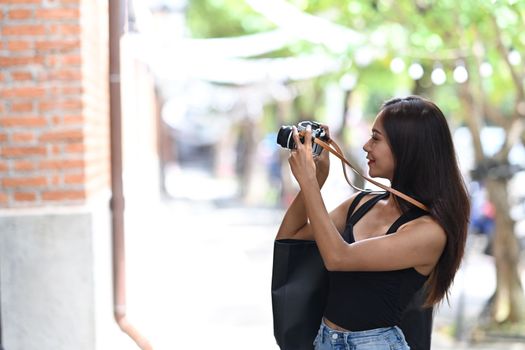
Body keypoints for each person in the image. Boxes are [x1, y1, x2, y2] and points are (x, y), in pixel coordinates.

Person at [275, 95, 470, 350]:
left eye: (376, 138)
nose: (366, 146)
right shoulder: (361, 203)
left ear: (407, 147)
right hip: (324, 341)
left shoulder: (429, 231)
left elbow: (338, 257)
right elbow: (291, 237)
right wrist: (317, 179)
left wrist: (309, 182)